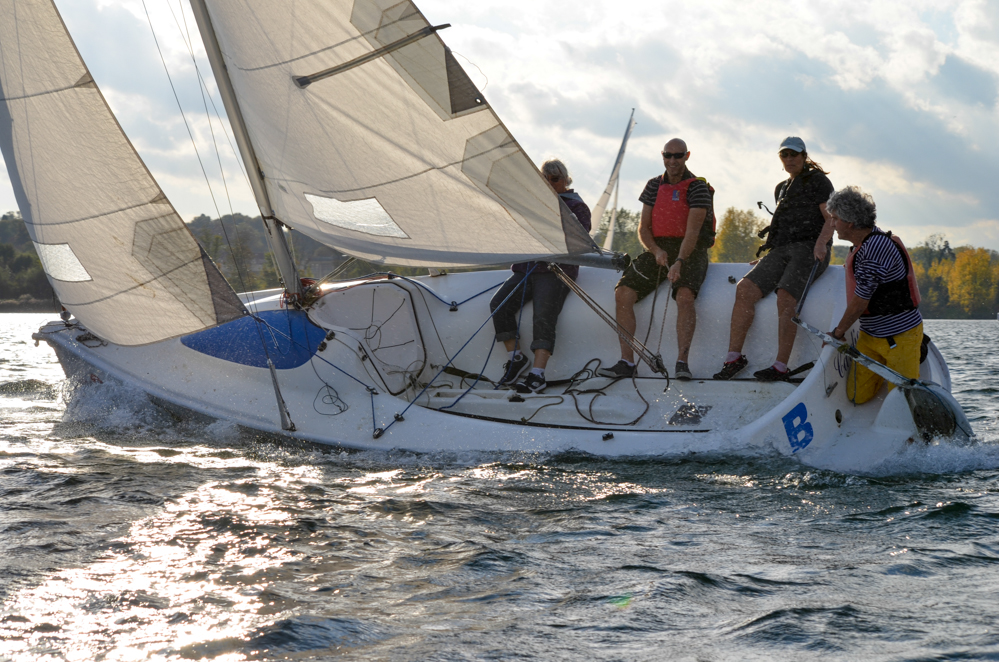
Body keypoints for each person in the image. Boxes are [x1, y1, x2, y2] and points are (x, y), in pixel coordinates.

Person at [713, 136, 834, 382]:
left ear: (804, 156)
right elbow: (782, 227)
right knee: (745, 289)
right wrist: (769, 257)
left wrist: (821, 243)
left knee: (785, 295)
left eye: (794, 154)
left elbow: (831, 218)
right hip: (781, 250)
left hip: (810, 248)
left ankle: (780, 366)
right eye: (784, 155)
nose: (789, 159)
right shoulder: (781, 187)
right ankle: (733, 358)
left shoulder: (819, 181)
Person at [597, 138, 715, 381]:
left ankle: (682, 362)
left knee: (684, 297)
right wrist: (656, 250)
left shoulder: (697, 188)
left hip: (690, 250)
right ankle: (627, 361)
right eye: (668, 155)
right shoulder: (653, 185)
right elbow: (643, 228)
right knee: (623, 294)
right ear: (662, 156)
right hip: (658, 248)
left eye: (678, 155)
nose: (672, 160)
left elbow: (692, 232)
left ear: (687, 156)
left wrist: (679, 261)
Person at [490, 158, 591, 393]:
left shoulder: (576, 207)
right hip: (527, 269)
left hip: (556, 270)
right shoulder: (532, 205)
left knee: (543, 316)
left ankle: (538, 375)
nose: (549, 183)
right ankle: (516, 358)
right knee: (499, 305)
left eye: (554, 179)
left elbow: (580, 239)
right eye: (544, 180)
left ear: (565, 181)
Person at [827, 186, 923, 404]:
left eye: (835, 219)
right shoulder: (862, 244)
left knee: (903, 401)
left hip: (900, 336)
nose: (832, 224)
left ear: (850, 222)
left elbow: (860, 301)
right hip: (870, 336)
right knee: (856, 396)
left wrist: (838, 332)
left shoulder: (875, 248)